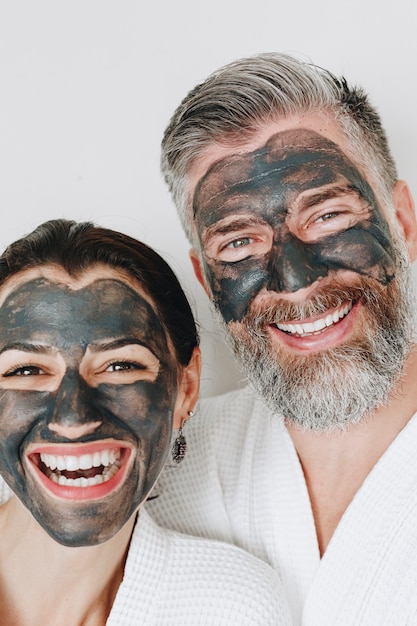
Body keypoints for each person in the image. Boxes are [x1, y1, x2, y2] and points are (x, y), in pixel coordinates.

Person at [147, 53, 417, 625]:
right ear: (205, 279)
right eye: (239, 244)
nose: (295, 281)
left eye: (326, 216)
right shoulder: (165, 470)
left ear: (402, 222)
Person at [0, 218, 291, 626]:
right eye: (26, 371)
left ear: (185, 388)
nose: (73, 418)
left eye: (120, 366)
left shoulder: (230, 608)